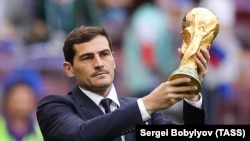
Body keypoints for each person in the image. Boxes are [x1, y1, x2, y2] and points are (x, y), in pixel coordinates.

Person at [36, 25, 210, 141]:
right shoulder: (54, 106)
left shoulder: (145, 112)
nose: (99, 63)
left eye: (104, 54)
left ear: (114, 59)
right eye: (87, 57)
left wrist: (191, 93)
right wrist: (147, 104)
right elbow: (80, 136)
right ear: (69, 69)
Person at [0, 69, 44, 141]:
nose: (21, 104)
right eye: (17, 98)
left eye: (25, 99)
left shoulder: (42, 130)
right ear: (7, 101)